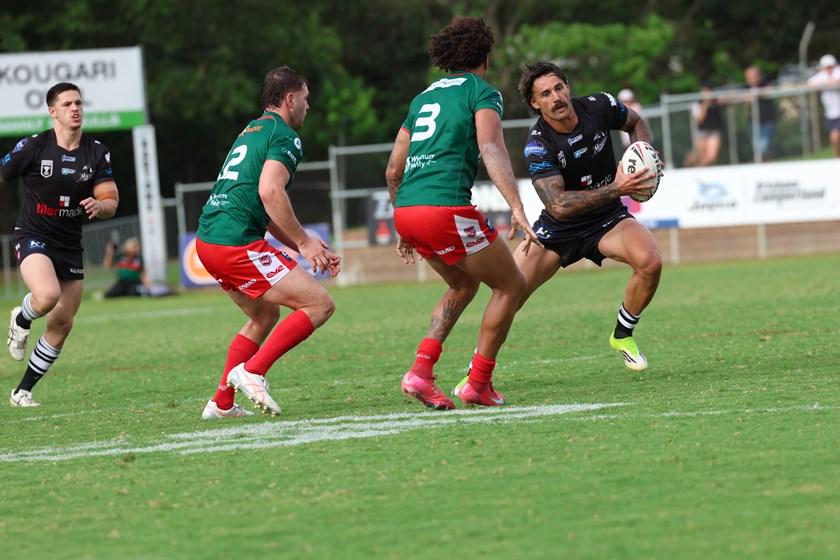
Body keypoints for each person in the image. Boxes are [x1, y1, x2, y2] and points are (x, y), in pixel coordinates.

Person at [385, 16, 540, 409]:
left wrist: (402, 216)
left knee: (462, 284)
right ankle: (478, 383)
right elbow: (491, 148)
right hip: (444, 209)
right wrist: (517, 207)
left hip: (407, 210)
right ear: (485, 57)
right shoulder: (481, 91)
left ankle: (420, 372)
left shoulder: (422, 98)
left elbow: (393, 170)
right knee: (512, 285)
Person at [195, 66, 341, 420]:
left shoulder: (253, 129)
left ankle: (222, 402)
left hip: (208, 240)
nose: (309, 107)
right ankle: (253, 371)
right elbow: (270, 191)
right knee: (319, 305)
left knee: (264, 315)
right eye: (306, 100)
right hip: (235, 242)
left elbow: (262, 203)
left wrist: (299, 241)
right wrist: (304, 244)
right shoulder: (285, 136)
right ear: (290, 99)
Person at [515, 62, 662, 372]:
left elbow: (636, 122)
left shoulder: (600, 106)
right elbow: (558, 205)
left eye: (558, 88)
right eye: (545, 93)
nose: (555, 97)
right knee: (509, 291)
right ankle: (477, 372)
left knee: (650, 262)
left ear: (567, 87)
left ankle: (622, 335)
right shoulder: (537, 144)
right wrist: (617, 187)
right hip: (559, 227)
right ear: (535, 103)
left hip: (607, 218)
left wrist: (642, 155)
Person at [1, 82, 119, 407]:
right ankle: (22, 318)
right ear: (53, 112)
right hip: (33, 234)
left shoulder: (96, 151)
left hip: (70, 243)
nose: (75, 108)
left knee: (62, 323)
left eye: (78, 102)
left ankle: (22, 390)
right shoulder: (33, 146)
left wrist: (100, 206)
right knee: (47, 296)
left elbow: (110, 199)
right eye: (67, 104)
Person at [806, 54, 840, 157]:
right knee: (834, 138)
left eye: (830, 67)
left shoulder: (838, 71)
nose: (828, 69)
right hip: (831, 112)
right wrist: (825, 83)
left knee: (836, 136)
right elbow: (809, 83)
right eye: (826, 67)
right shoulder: (822, 75)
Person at [744, 65, 777, 162]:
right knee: (757, 149)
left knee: (764, 147)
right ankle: (760, 167)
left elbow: (769, 90)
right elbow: (747, 103)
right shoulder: (746, 87)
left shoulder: (765, 83)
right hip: (754, 121)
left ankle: (766, 165)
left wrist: (757, 94)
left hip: (767, 120)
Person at [692, 81, 724, 166]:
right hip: (702, 131)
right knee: (703, 157)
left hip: (714, 131)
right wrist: (705, 105)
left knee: (711, 156)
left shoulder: (716, 101)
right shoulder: (697, 103)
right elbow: (699, 119)